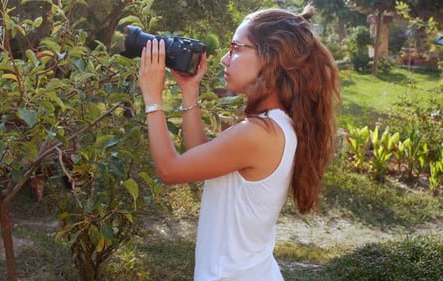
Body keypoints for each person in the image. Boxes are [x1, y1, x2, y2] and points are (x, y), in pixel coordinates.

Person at [138, 4, 340, 281]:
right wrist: (190, 90)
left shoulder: (259, 133)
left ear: (271, 57)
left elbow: (170, 170)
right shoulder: (274, 124)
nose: (224, 58)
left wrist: (152, 98)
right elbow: (199, 158)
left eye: (235, 48)